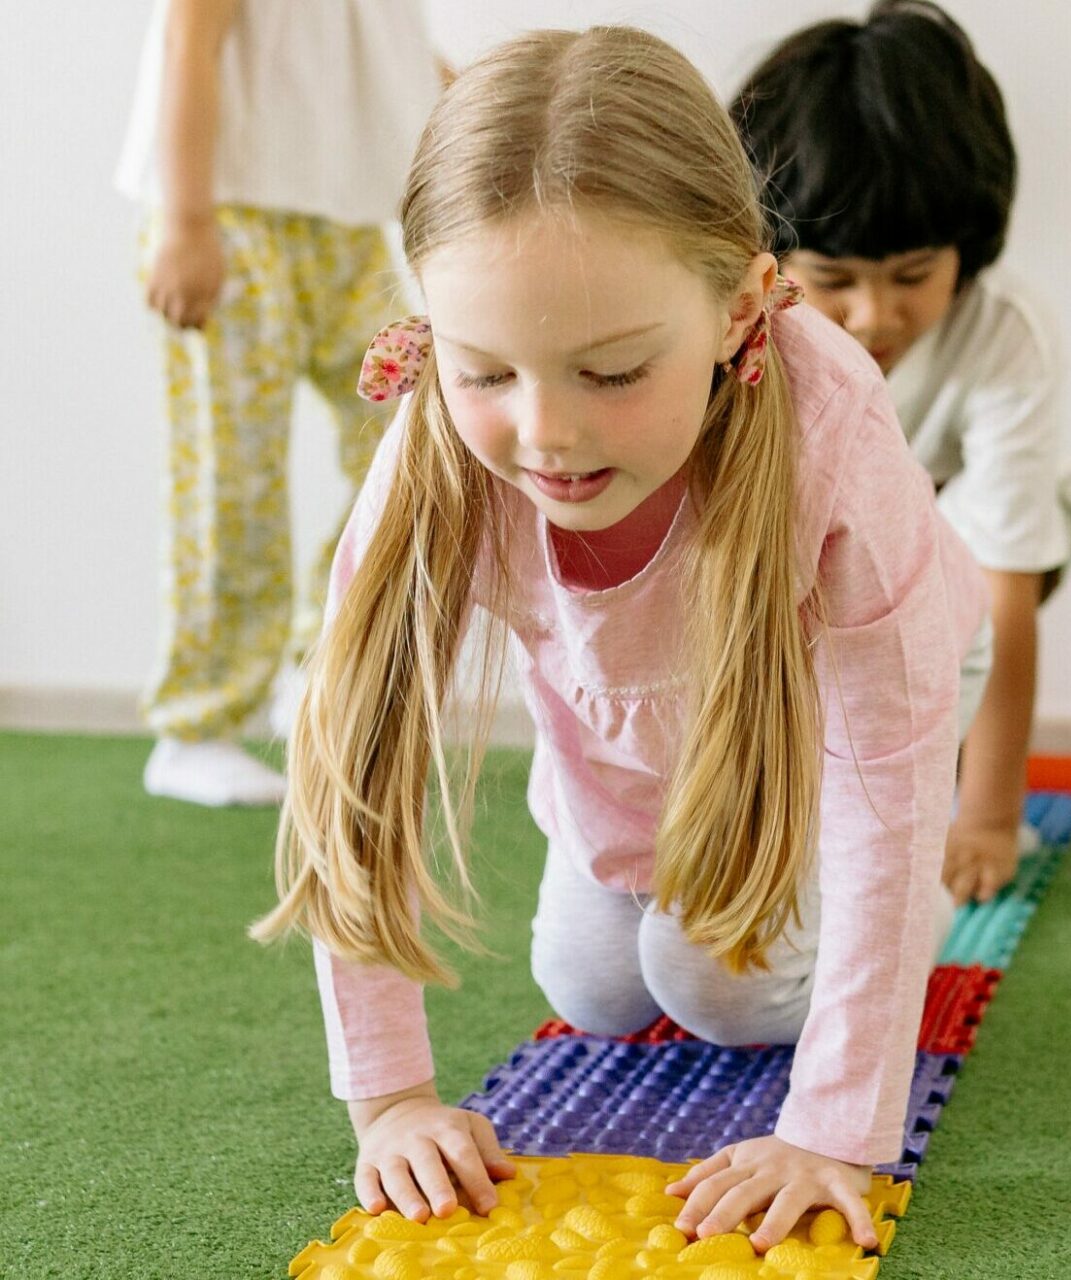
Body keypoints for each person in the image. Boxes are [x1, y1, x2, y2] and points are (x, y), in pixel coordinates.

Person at [251, 27, 990, 1252]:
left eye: (611, 371)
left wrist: (833, 1127)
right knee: (592, 986)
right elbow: (355, 768)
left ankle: (745, 902)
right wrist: (387, 1100)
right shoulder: (440, 453)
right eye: (487, 368)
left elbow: (890, 801)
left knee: (716, 982)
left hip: (843, 710)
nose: (545, 436)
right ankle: (655, 867)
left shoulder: (828, 448)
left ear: (743, 305)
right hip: (628, 713)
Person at [731, 0, 1071, 905]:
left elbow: (1008, 593)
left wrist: (988, 818)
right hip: (811, 532)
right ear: (771, 256)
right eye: (837, 280)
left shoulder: (1006, 336)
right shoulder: (744, 320)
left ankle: (929, 766)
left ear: (965, 254)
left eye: (913, 278)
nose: (875, 315)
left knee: (952, 600)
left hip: (955, 536)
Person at [115, 0, 442, 805]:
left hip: (345, 224)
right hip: (231, 219)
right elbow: (190, 41)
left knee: (418, 433)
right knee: (233, 479)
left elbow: (391, 55)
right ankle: (196, 725)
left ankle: (318, 666)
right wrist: (188, 222)